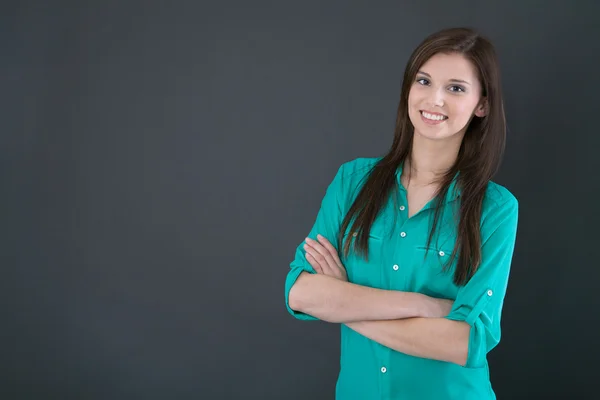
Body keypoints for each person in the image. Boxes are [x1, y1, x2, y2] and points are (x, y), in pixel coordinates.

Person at [284, 27, 519, 400]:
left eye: (456, 88)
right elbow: (300, 293)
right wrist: (422, 306)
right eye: (424, 81)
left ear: (482, 104)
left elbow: (465, 342)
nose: (434, 98)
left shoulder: (496, 208)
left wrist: (344, 302)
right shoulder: (353, 181)